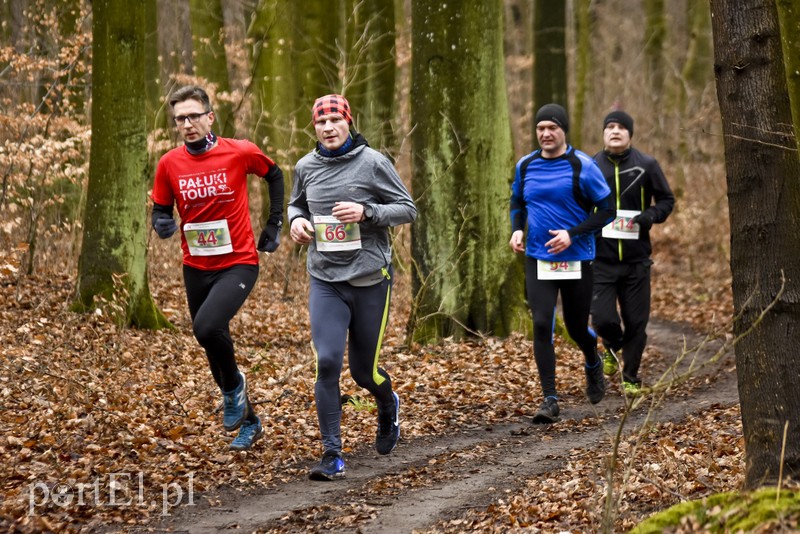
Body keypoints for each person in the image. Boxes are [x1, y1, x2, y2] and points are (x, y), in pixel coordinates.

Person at [288, 94, 416, 480]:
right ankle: (332, 454)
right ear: (314, 128)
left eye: (335, 121)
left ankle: (387, 403)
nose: (328, 128)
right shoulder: (305, 166)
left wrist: (368, 212)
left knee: (363, 372)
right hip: (326, 280)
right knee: (327, 362)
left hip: (369, 281)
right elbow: (296, 205)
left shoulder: (373, 163)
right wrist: (295, 222)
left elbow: (408, 208)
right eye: (320, 123)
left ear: (349, 122)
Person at [150, 85, 284, 451]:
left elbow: (275, 175)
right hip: (196, 265)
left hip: (238, 262)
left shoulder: (239, 151)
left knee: (206, 327)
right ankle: (250, 420)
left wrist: (274, 224)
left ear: (210, 116)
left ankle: (233, 389)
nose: (188, 124)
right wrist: (161, 222)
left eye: (194, 116)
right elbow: (161, 209)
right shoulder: (169, 163)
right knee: (212, 343)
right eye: (181, 118)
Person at [509, 103, 615, 424]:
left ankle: (592, 360)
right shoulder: (526, 165)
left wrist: (572, 234)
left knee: (575, 327)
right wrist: (516, 228)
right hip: (538, 258)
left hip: (577, 258)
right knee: (542, 323)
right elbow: (517, 201)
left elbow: (606, 209)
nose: (545, 133)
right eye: (541, 128)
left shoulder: (582, 165)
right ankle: (550, 399)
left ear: (563, 130)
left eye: (552, 128)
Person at [591, 110, 675, 395]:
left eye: (621, 127)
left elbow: (666, 200)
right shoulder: (590, 167)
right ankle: (612, 346)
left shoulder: (647, 165)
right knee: (603, 319)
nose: (615, 131)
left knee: (637, 322)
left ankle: (630, 378)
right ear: (603, 133)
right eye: (610, 127)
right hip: (600, 259)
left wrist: (650, 216)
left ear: (630, 134)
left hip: (637, 260)